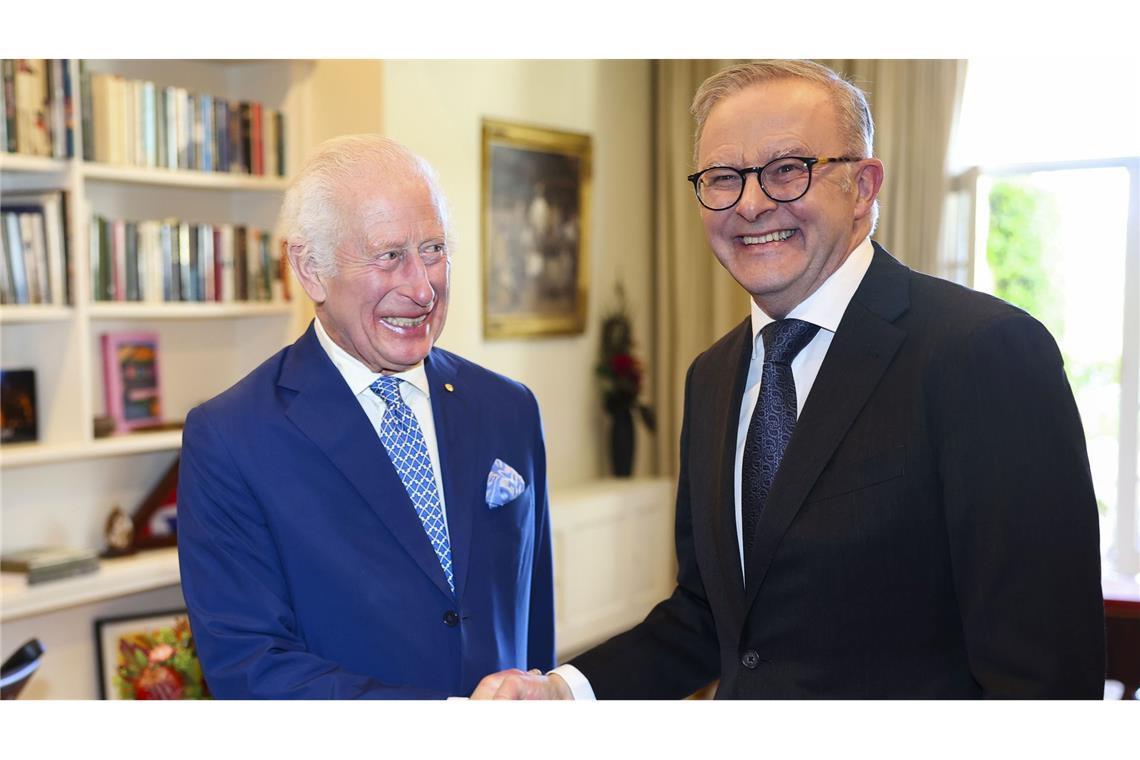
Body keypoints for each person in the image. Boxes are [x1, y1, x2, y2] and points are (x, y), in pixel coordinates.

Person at [473, 60, 1104, 699]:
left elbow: (1045, 677)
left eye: (786, 170)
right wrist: (563, 691)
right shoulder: (712, 377)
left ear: (863, 186)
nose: (750, 204)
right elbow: (712, 618)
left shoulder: (983, 353)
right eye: (723, 177)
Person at [178, 135, 555, 699]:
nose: (422, 287)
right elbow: (251, 668)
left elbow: (535, 633)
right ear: (311, 269)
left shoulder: (509, 408)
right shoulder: (231, 438)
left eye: (433, 249)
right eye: (390, 256)